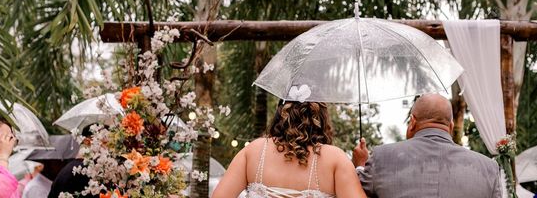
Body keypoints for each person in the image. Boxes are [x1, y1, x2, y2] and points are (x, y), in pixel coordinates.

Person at [352, 93, 502, 198]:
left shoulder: (381, 157)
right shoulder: (489, 168)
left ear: (412, 122)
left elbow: (352, 192)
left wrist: (360, 165)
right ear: (450, 126)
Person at [212, 101, 366, 198]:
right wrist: (360, 166)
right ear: (321, 117)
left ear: (282, 112)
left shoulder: (253, 151)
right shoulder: (335, 159)